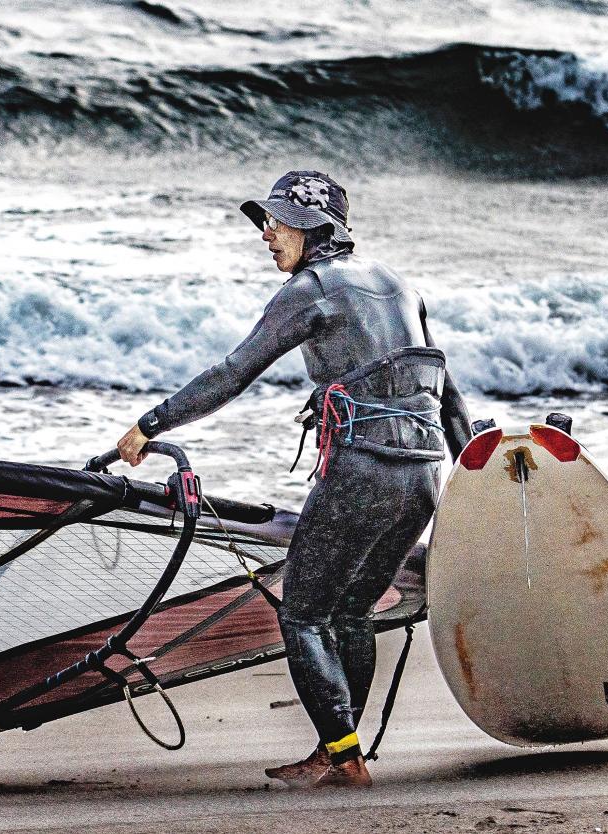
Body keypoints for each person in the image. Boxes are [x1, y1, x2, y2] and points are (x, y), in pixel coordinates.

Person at [116, 171, 471, 788]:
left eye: (276, 222)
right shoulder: (398, 283)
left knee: (302, 616)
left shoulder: (311, 290)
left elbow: (232, 372)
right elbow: (447, 392)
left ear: (311, 228)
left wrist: (150, 425)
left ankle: (346, 757)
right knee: (353, 612)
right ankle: (339, 751)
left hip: (363, 469)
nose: (266, 235)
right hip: (422, 474)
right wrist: (472, 469)